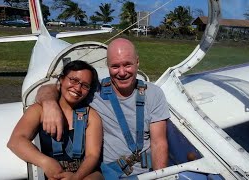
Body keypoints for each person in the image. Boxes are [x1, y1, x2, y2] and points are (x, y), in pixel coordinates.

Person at [36, 38, 170, 178]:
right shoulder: (94, 91)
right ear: (108, 66)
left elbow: (158, 142)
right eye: (115, 66)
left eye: (127, 65)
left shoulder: (154, 93)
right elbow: (50, 89)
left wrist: (160, 176)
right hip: (110, 174)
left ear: (137, 62)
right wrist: (49, 103)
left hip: (146, 174)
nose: (122, 72)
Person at [7, 60, 103, 180]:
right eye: (73, 80)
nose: (78, 88)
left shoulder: (90, 116)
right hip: (53, 173)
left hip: (84, 174)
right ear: (61, 80)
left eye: (85, 85)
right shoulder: (39, 110)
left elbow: (92, 155)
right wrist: (45, 162)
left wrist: (76, 177)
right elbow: (16, 141)